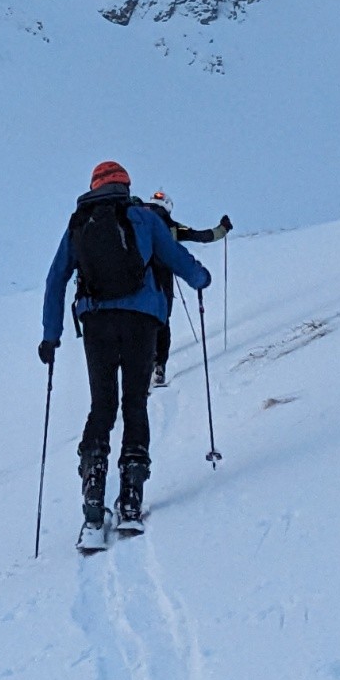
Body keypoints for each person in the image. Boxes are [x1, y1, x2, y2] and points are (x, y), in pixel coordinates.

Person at [38, 161, 211, 541]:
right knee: (135, 404)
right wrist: (200, 278)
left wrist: (51, 336)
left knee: (102, 406)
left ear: (94, 186)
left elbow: (56, 279)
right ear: (126, 186)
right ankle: (131, 497)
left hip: (97, 322)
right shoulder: (144, 218)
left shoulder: (79, 223)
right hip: (141, 321)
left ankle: (93, 491)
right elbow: (174, 257)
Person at [142, 191, 232, 387]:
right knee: (162, 321)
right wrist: (223, 229)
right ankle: (159, 366)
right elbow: (200, 235)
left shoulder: (133, 219)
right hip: (162, 279)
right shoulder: (171, 225)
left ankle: (141, 368)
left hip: (138, 280)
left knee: (141, 322)